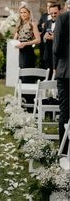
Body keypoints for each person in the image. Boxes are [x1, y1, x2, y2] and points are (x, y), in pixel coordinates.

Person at [53, 10, 69, 154]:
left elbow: (56, 48)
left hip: (66, 72)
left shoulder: (63, 18)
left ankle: (64, 150)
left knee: (65, 111)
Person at [43, 2, 61, 79]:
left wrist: (54, 38)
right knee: (48, 75)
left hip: (58, 54)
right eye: (51, 13)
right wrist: (45, 37)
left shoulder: (64, 23)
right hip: (48, 53)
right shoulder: (47, 23)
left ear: (60, 11)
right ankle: (47, 90)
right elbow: (42, 37)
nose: (53, 15)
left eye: (55, 13)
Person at [38, 0, 53, 68]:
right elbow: (38, 27)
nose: (48, 7)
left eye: (50, 6)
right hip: (43, 42)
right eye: (47, 6)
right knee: (42, 59)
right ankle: (42, 77)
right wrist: (42, 26)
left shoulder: (57, 16)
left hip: (52, 41)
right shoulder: (43, 16)